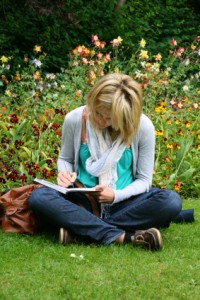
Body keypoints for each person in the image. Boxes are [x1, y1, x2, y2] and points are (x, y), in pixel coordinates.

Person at [29, 73, 183, 251]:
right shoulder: (75, 119)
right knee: (39, 198)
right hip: (82, 201)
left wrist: (115, 196)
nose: (100, 121)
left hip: (124, 202)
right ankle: (125, 237)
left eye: (109, 118)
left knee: (171, 200)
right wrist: (65, 173)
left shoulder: (143, 127)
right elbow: (65, 159)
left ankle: (80, 229)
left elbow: (144, 180)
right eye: (97, 113)